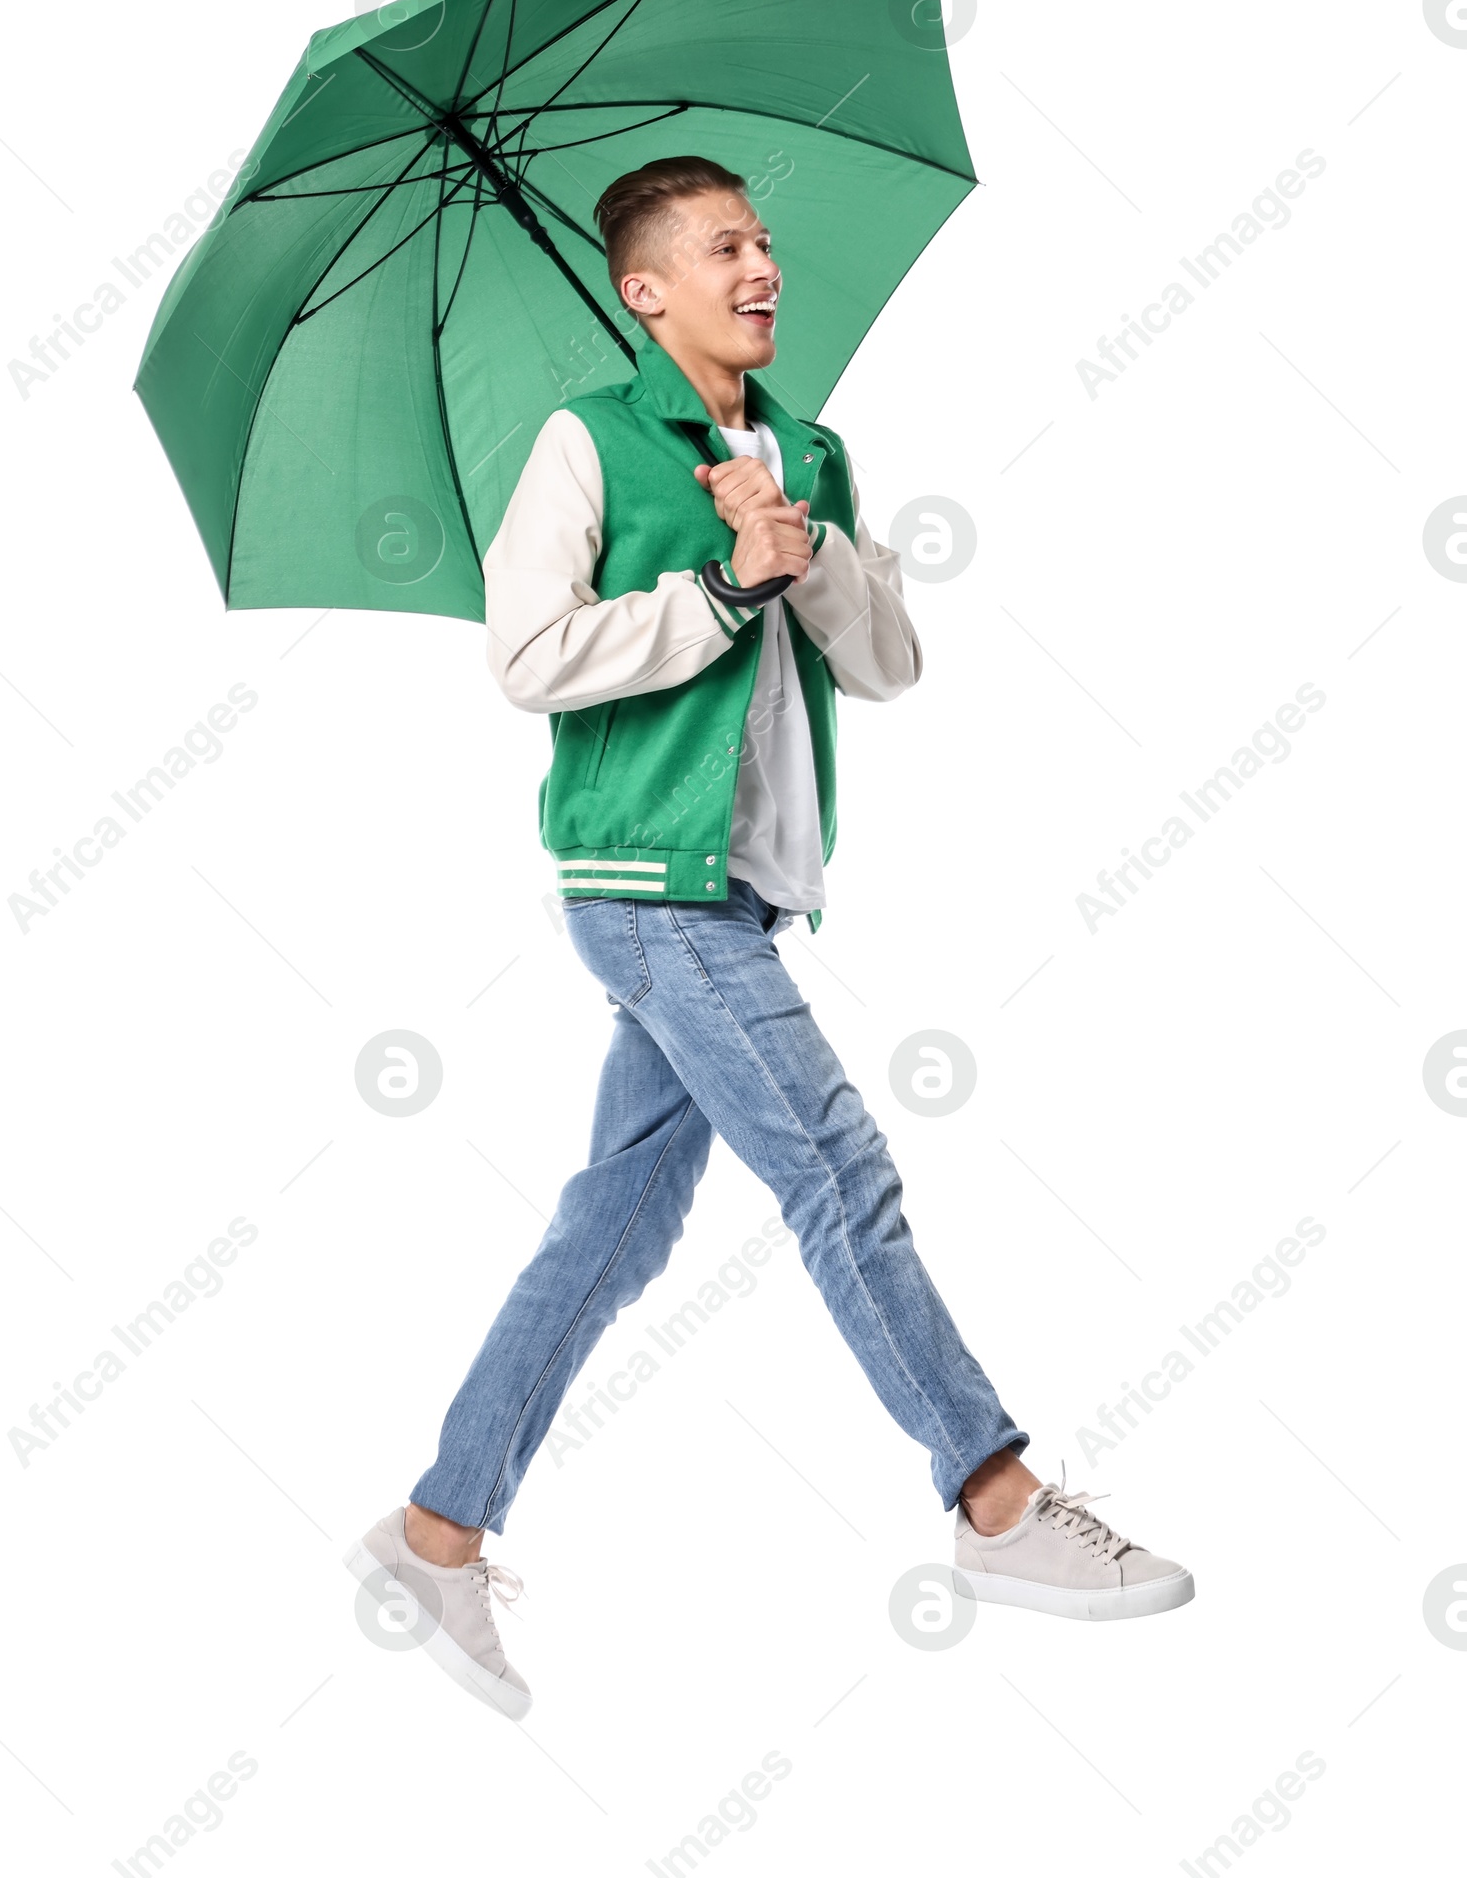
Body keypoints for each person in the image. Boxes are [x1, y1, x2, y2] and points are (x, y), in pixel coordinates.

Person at [345, 156, 1193, 1716]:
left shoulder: (808, 450)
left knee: (617, 1225)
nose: (764, 265)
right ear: (644, 287)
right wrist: (722, 585)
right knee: (841, 1168)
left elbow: (888, 665)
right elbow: (527, 656)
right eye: (724, 245)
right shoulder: (584, 440)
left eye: (767, 240)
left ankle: (436, 1530)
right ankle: (994, 1498)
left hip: (740, 892)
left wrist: (805, 557)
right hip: (641, 889)